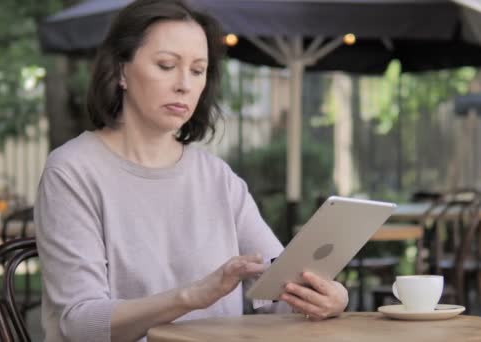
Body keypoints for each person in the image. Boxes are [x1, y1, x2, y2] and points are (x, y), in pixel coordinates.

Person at [34, 0, 348, 341]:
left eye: (197, 70)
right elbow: (80, 323)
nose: (184, 84)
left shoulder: (217, 177)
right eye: (167, 65)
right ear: (121, 70)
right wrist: (191, 296)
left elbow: (278, 291)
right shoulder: (72, 171)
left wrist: (330, 297)